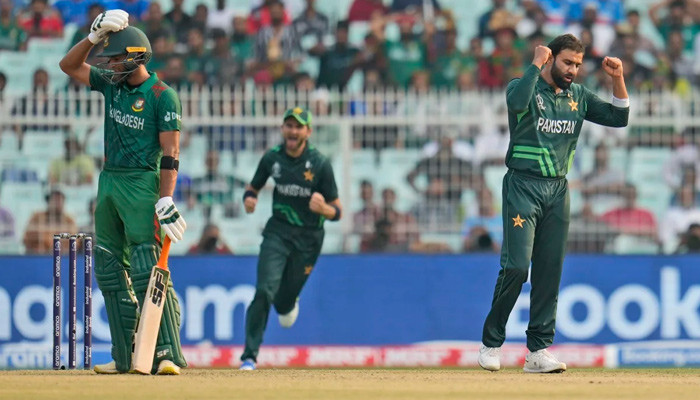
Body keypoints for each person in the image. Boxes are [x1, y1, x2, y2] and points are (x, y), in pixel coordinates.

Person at [478, 33, 629, 373]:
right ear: (551, 59)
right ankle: (491, 342)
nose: (573, 70)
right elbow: (516, 103)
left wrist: (618, 78)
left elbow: (620, 118)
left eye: (577, 64)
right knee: (517, 266)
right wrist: (535, 63)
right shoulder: (525, 86)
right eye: (567, 62)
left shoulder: (579, 96)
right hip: (522, 186)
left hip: (558, 191)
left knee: (549, 271)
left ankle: (537, 352)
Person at [59, 12, 188, 375]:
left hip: (143, 184)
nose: (110, 64)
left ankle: (166, 354)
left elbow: (171, 153)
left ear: (137, 56)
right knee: (110, 269)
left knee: (148, 268)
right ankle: (123, 355)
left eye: (116, 57)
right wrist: (93, 36)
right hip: (109, 181)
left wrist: (165, 198)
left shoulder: (163, 96)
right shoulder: (111, 85)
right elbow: (68, 65)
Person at [239, 107, 342, 370]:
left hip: (308, 240)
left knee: (284, 304)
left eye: (298, 127)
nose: (293, 131)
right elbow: (253, 187)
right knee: (264, 290)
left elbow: (337, 211)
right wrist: (249, 198)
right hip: (278, 233)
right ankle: (249, 356)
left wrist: (325, 210)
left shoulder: (320, 164)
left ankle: (288, 301)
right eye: (289, 126)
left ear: (308, 131)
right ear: (283, 129)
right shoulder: (272, 158)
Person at [23, 188, 77, 254]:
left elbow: (75, 242)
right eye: (55, 200)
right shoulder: (37, 217)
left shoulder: (69, 220)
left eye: (60, 200)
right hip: (38, 256)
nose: (58, 203)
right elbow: (27, 239)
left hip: (62, 257)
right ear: (48, 201)